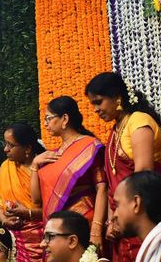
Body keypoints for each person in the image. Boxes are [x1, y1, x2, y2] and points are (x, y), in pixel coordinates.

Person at [85, 72, 161, 262]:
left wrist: (123, 218)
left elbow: (143, 176)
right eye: (93, 104)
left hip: (146, 216)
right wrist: (113, 221)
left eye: (99, 102)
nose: (96, 109)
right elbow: (112, 187)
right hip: (124, 223)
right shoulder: (116, 130)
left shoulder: (139, 122)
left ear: (117, 97)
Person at [30, 97, 106, 248]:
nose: (45, 124)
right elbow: (37, 200)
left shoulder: (89, 145)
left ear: (64, 119)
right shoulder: (52, 155)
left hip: (83, 222)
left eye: (49, 118)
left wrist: (97, 228)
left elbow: (102, 187)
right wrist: (35, 164)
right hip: (57, 229)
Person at [0, 124, 47, 262]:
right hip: (15, 241)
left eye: (11, 145)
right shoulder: (5, 167)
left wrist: (28, 214)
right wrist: (4, 220)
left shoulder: (45, 168)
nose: (5, 149)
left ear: (28, 148)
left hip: (42, 238)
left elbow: (53, 208)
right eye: (5, 144)